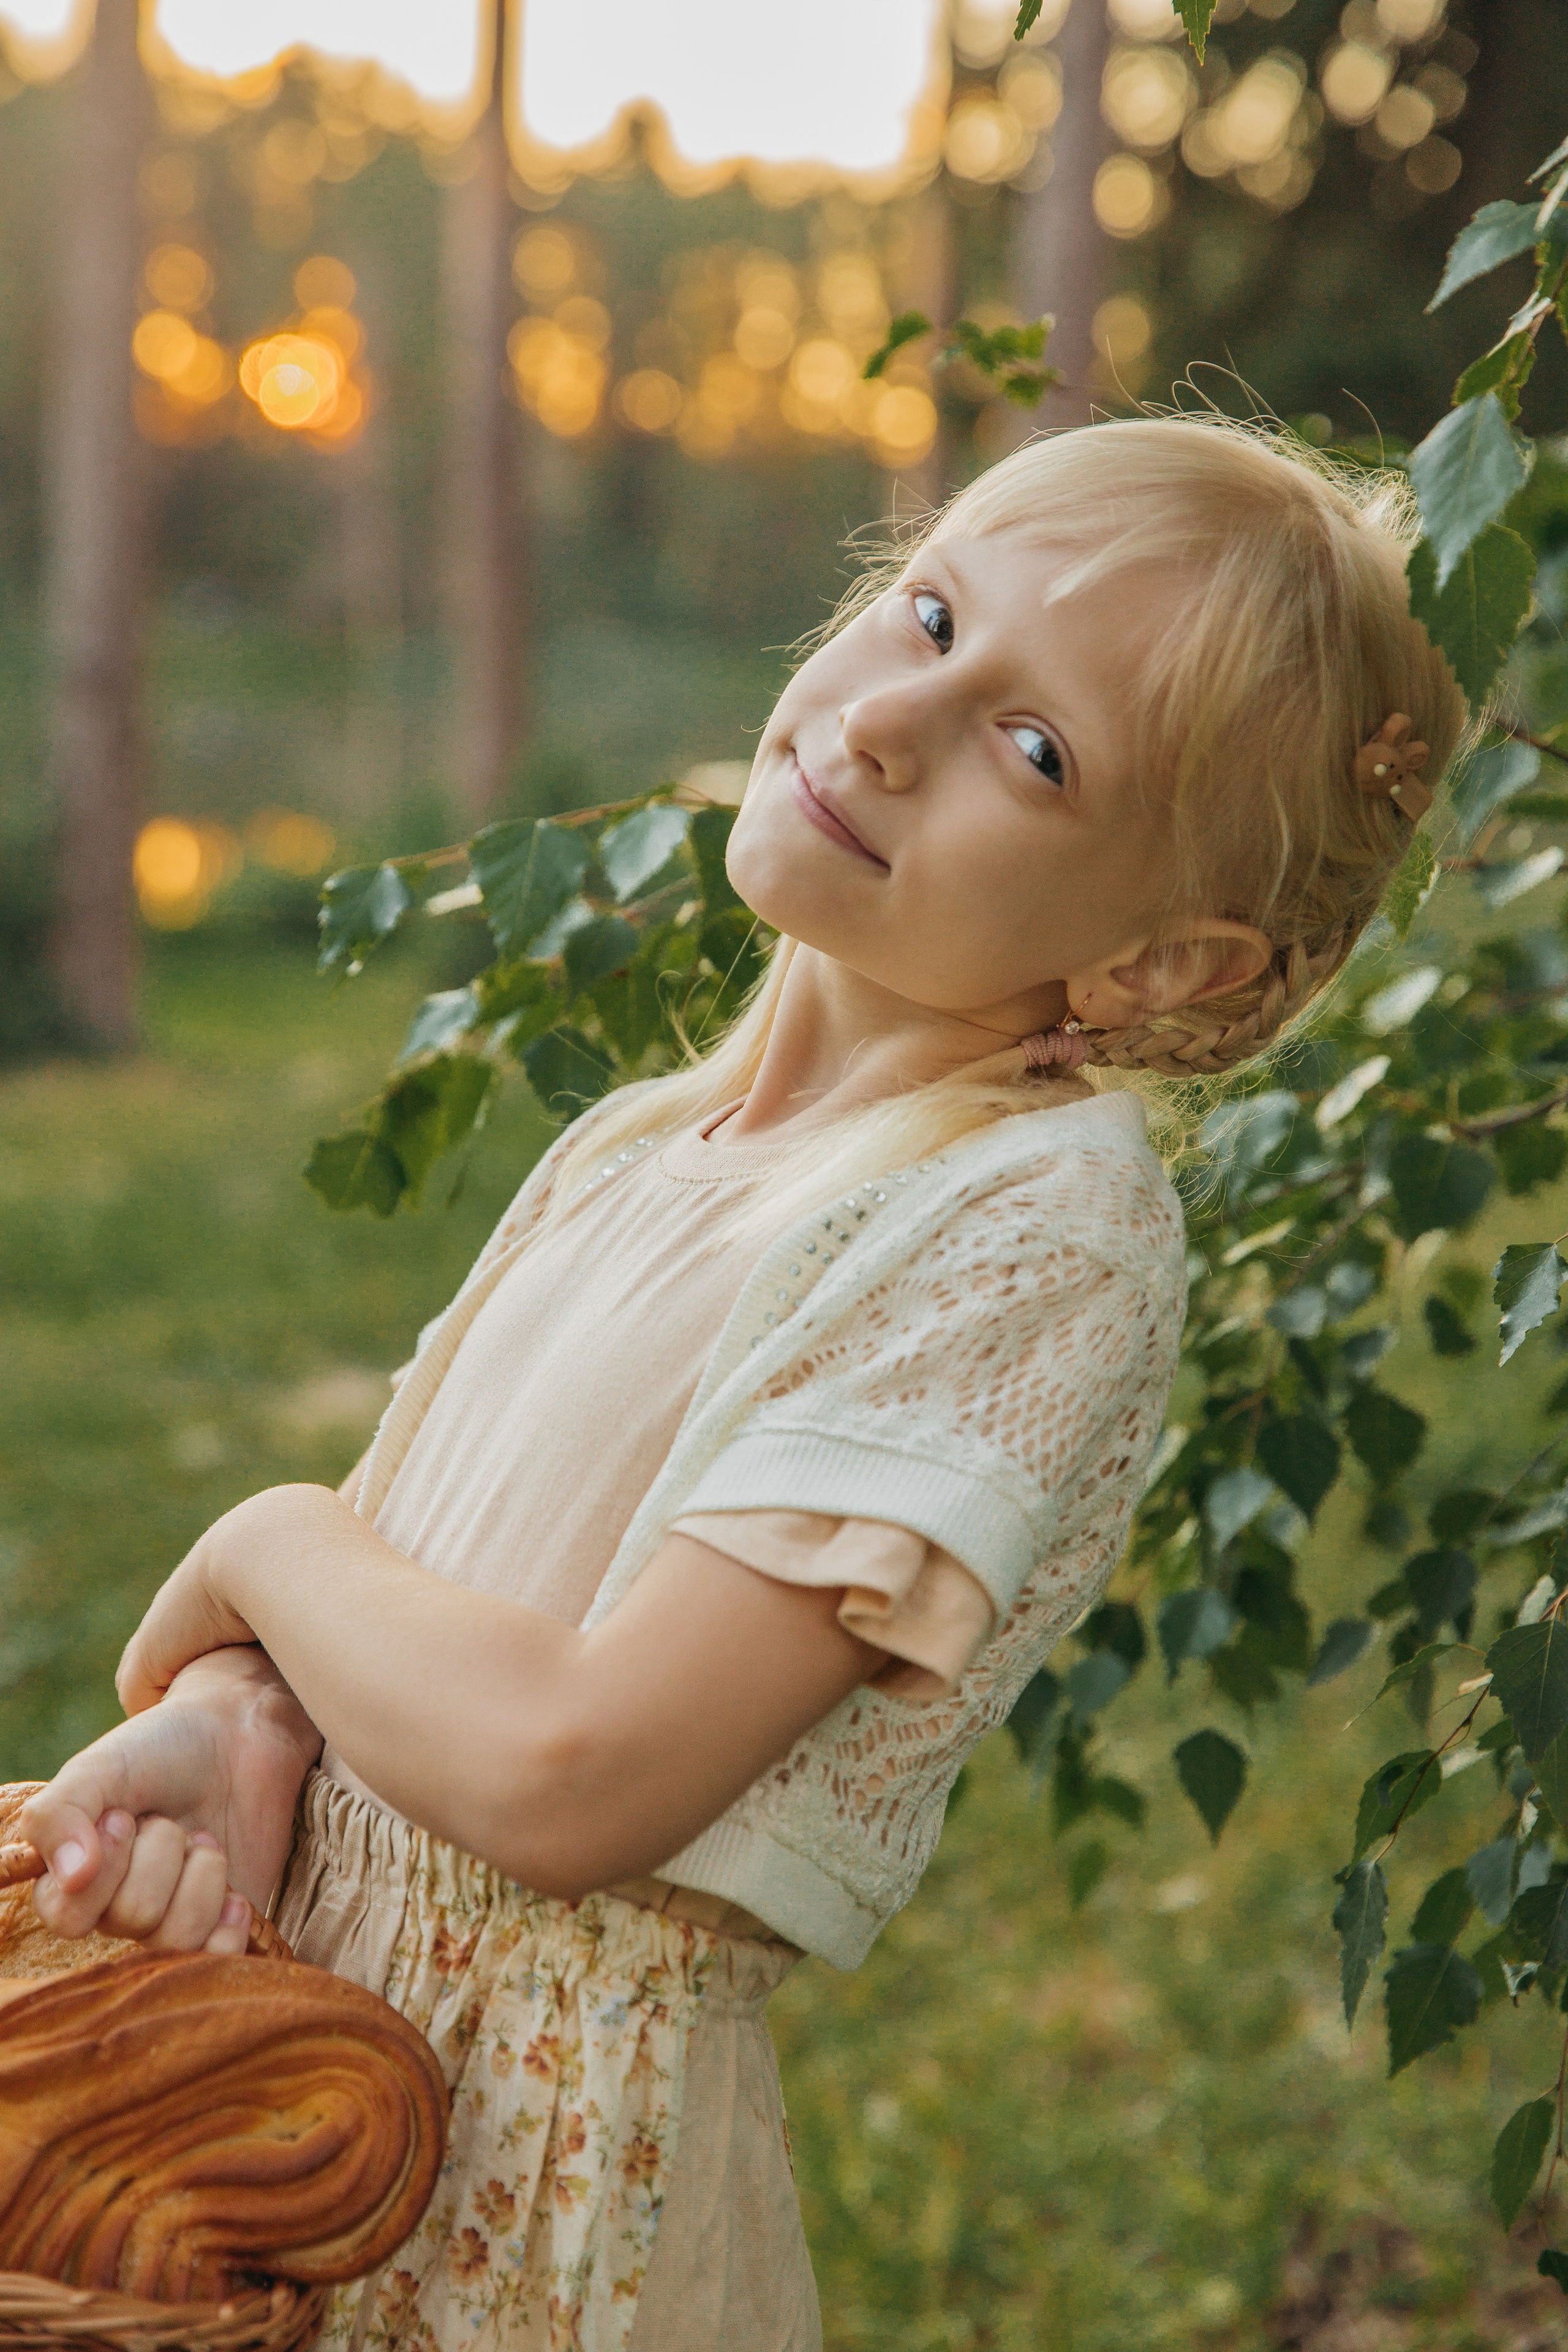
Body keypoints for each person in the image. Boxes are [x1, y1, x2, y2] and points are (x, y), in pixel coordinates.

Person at [18, 417, 1467, 2352]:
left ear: (1162, 964)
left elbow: (577, 1770)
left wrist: (259, 1538)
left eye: (1037, 751)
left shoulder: (1037, 1227)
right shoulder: (638, 1150)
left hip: (533, 2207)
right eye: (929, 615)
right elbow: (412, 1599)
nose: (888, 724)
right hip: (301, 2105)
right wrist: (247, 1717)